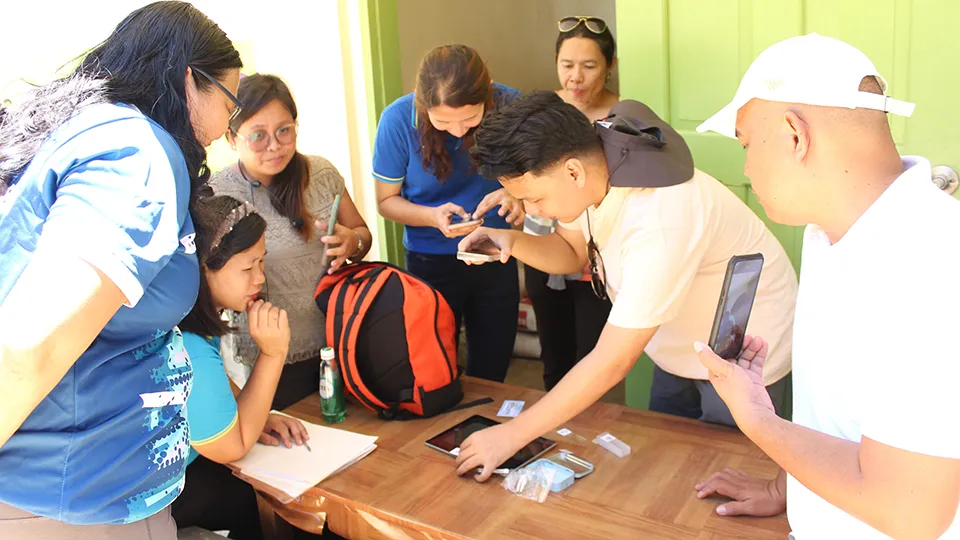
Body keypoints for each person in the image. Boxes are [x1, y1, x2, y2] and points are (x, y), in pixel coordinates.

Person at [692, 34, 960, 538]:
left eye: (747, 143)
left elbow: (911, 512)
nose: (746, 167)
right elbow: (839, 417)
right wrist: (786, 488)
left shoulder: (929, 264)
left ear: (795, 135)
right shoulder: (831, 232)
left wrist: (759, 422)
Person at [454, 91, 797, 481]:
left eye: (534, 198)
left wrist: (513, 434)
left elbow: (612, 360)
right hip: (679, 339)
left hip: (745, 345)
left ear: (572, 172)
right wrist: (511, 242)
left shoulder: (658, 218)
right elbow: (571, 251)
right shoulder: (598, 160)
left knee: (728, 469)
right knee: (671, 460)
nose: (531, 212)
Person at [0, 2, 241, 538]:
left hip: (83, 495)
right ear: (189, 83)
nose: (228, 131)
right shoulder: (138, 152)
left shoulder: (98, 135)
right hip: (67, 504)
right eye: (231, 104)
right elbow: (28, 345)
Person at [171, 195, 331, 539]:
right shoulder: (191, 348)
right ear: (204, 268)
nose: (260, 278)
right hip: (158, 496)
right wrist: (272, 354)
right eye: (247, 267)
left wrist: (256, 413)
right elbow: (232, 446)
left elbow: (217, 388)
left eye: (262, 262)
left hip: (181, 472)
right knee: (249, 496)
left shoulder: (190, 318)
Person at [210, 74, 372, 410]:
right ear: (230, 137)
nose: (274, 146)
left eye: (285, 130)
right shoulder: (217, 194)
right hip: (269, 355)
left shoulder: (322, 174)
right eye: (258, 136)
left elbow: (362, 235)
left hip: (339, 342)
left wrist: (352, 241)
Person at [373, 44, 524, 383]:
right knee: (435, 365)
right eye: (442, 121)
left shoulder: (509, 104)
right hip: (431, 258)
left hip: (496, 250)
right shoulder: (397, 121)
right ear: (421, 104)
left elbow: (540, 172)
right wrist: (432, 216)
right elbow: (386, 201)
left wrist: (517, 194)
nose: (458, 131)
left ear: (488, 96)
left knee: (494, 362)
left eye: (471, 118)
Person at [523, 15, 618, 390]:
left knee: (592, 355)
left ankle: (590, 436)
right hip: (545, 242)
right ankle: (556, 434)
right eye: (567, 65)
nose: (575, 77)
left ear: (609, 66)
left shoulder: (622, 115)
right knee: (554, 350)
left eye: (589, 65)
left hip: (598, 253)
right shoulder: (540, 110)